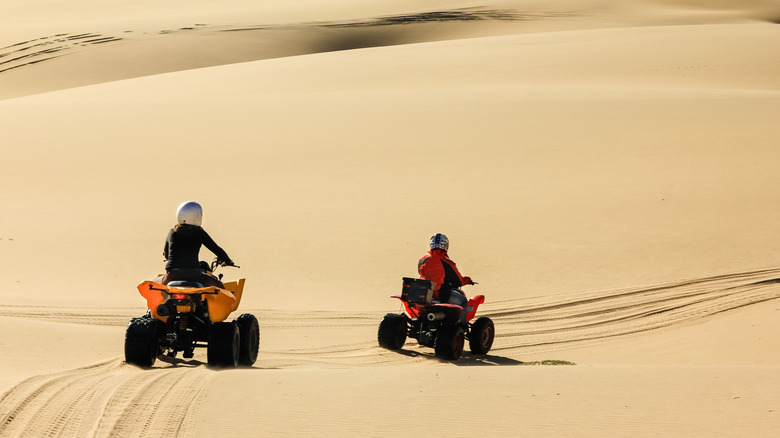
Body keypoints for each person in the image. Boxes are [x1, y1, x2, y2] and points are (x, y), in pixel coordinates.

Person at [159, 201, 234, 288]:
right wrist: (228, 261)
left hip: (171, 276)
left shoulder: (172, 232)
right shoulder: (199, 232)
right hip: (193, 276)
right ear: (197, 216)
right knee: (219, 286)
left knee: (157, 284)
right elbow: (216, 249)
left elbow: (167, 254)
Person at [417, 233, 474, 323]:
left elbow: (420, 272)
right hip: (441, 294)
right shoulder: (447, 263)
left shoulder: (423, 260)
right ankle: (462, 324)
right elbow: (459, 281)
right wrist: (468, 280)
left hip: (423, 293)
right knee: (463, 301)